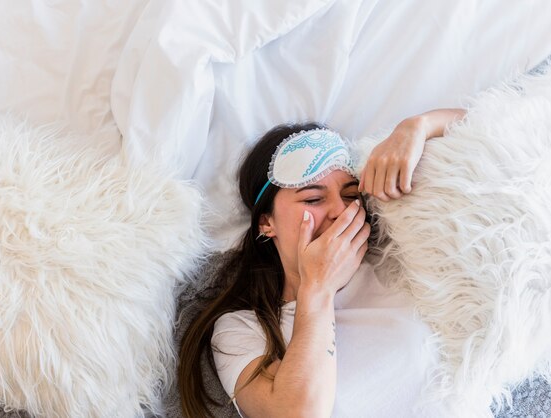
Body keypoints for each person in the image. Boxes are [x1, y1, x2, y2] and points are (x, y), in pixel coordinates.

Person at [178, 109, 466, 418]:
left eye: (351, 195)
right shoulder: (242, 330)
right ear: (266, 223)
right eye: (313, 199)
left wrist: (417, 127)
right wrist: (318, 288)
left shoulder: (395, 260)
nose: (339, 211)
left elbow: (499, 134)